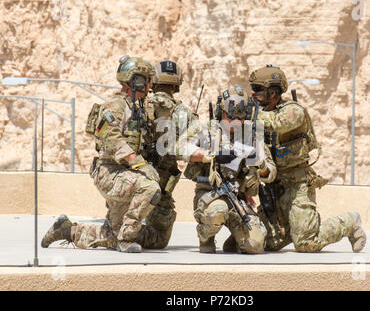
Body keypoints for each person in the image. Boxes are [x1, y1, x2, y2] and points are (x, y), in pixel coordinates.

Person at [41, 55, 162, 253]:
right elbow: (111, 138)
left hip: (125, 174)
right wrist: (140, 164)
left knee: (110, 235)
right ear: (135, 80)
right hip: (110, 172)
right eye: (147, 80)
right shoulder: (115, 105)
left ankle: (66, 230)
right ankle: (126, 239)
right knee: (150, 188)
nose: (150, 85)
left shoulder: (137, 107)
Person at [249, 64, 367, 253]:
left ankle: (349, 222)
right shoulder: (257, 117)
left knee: (306, 243)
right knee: (264, 244)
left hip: (298, 185)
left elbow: (277, 123)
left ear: (272, 93)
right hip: (275, 186)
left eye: (257, 89)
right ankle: (297, 226)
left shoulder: (293, 111)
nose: (252, 93)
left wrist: (249, 114)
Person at [180, 85, 277, 254]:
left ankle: (235, 239)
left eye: (240, 118)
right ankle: (205, 235)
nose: (235, 122)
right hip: (210, 196)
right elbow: (179, 148)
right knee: (218, 211)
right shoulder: (207, 131)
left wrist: (258, 163)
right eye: (230, 117)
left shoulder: (251, 136)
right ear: (221, 113)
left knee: (255, 245)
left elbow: (270, 172)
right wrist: (211, 155)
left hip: (237, 200)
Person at [136, 60, 197, 249]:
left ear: (153, 82)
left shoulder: (139, 106)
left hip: (132, 185)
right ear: (176, 84)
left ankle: (118, 232)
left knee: (118, 228)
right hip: (160, 190)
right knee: (158, 240)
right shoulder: (184, 113)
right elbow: (199, 143)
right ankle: (124, 235)